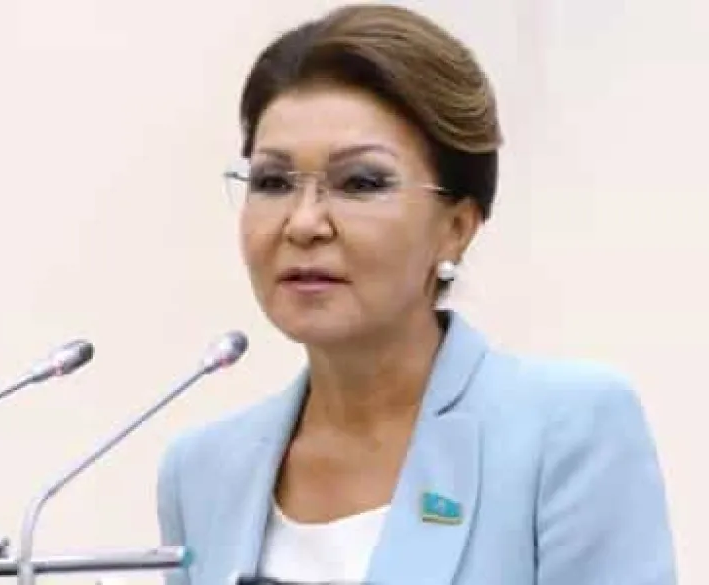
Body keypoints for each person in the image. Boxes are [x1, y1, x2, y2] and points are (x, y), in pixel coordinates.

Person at [156, 3, 677, 584]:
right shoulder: (201, 472)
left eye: (360, 183)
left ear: (456, 227)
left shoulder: (566, 431)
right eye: (273, 182)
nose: (303, 223)